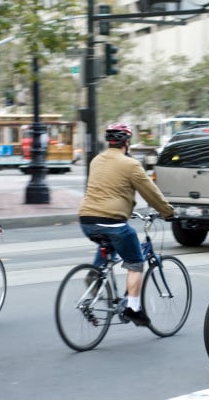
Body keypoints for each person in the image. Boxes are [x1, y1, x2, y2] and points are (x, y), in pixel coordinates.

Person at [78, 123, 175, 327]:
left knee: (110, 243)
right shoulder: (130, 164)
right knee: (135, 262)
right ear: (127, 143)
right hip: (112, 221)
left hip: (86, 220)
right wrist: (168, 212)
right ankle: (133, 308)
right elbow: (150, 192)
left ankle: (96, 275)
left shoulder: (96, 160)